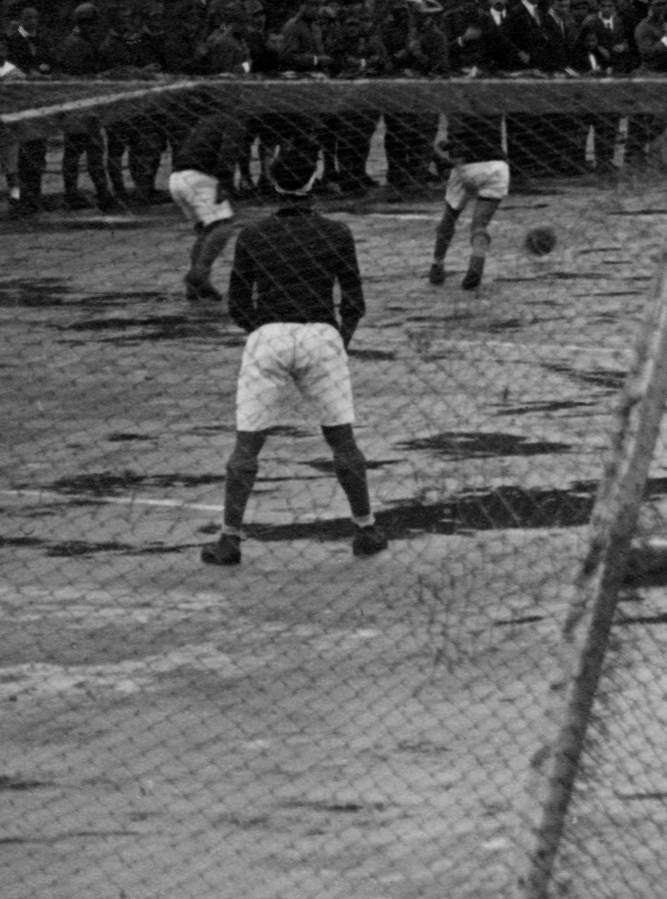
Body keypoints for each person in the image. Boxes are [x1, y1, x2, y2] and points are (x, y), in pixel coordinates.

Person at [199, 142, 382, 567]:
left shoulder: (254, 234)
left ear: (274, 183)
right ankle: (366, 528)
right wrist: (338, 341)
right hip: (321, 332)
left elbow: (238, 303)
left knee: (247, 445)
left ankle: (230, 539)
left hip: (270, 333)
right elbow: (353, 301)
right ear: (314, 182)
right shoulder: (337, 232)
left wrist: (264, 330)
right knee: (342, 438)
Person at [163, 94, 249, 302]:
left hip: (177, 179)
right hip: (199, 178)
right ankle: (199, 275)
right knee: (223, 226)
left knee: (206, 230)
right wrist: (224, 182)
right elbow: (228, 150)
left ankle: (197, 286)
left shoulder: (207, 119)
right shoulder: (234, 121)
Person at [426, 126, 514, 292]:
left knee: (449, 217)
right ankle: (477, 260)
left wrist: (441, 151)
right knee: (479, 225)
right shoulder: (492, 108)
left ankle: (437, 266)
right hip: (498, 167)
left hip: (467, 167)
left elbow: (459, 147)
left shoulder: (459, 110)